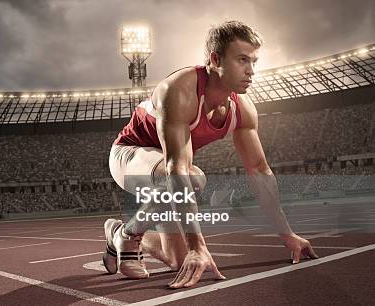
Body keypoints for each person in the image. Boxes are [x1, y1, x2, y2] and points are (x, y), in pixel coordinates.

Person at [104, 20, 318, 289]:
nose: (251, 71)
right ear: (216, 59)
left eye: (254, 61)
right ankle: (130, 235)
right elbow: (177, 169)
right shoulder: (179, 90)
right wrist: (199, 246)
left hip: (164, 167)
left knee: (178, 260)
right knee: (193, 178)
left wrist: (288, 235)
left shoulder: (244, 109)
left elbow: (259, 171)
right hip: (130, 155)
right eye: (242, 60)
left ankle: (119, 232)